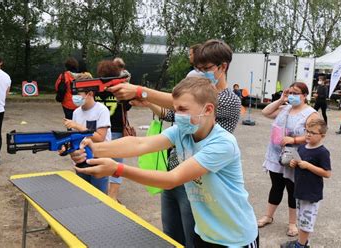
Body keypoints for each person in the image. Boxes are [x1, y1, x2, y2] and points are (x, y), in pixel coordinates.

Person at [70, 78, 259, 247]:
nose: (177, 115)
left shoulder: (223, 143)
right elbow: (139, 143)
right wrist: (93, 148)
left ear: (208, 109)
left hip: (236, 238)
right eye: (175, 109)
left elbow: (172, 179)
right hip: (205, 234)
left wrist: (117, 169)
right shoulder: (182, 131)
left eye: (183, 109)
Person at [108, 39, 241, 247]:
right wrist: (148, 103)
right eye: (197, 68)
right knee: (170, 236)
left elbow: (173, 102)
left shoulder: (227, 99)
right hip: (174, 173)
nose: (200, 73)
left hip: (197, 182)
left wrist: (140, 91)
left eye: (206, 68)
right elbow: (172, 113)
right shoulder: (194, 100)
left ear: (223, 67)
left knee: (191, 239)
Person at [258, 82, 318, 237]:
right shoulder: (284, 108)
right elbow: (265, 112)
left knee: (292, 190)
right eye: (290, 92)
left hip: (293, 158)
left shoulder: (311, 114)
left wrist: (294, 140)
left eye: (295, 93)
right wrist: (281, 99)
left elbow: (315, 135)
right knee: (276, 186)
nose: (292, 95)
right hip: (276, 155)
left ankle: (292, 223)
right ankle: (268, 216)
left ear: (304, 96)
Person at [281, 118, 331, 248]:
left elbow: (327, 173)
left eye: (313, 132)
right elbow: (298, 163)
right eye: (307, 131)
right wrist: (293, 163)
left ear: (322, 136)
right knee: (301, 219)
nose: (308, 134)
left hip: (311, 193)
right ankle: (303, 242)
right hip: (300, 190)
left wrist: (308, 166)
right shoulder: (302, 148)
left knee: (306, 221)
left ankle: (300, 245)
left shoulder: (322, 152)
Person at [63, 75, 111, 194]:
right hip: (82, 160)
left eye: (78, 93)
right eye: (74, 93)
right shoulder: (76, 112)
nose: (75, 97)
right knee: (83, 195)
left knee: (99, 196)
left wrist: (78, 126)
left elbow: (100, 138)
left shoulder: (102, 110)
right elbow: (75, 138)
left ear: (89, 93)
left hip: (99, 160)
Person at [93, 60, 131, 201]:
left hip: (98, 132)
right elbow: (127, 107)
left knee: (98, 162)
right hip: (116, 130)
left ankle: (98, 194)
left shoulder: (95, 89)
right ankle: (112, 197)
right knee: (117, 165)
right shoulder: (120, 89)